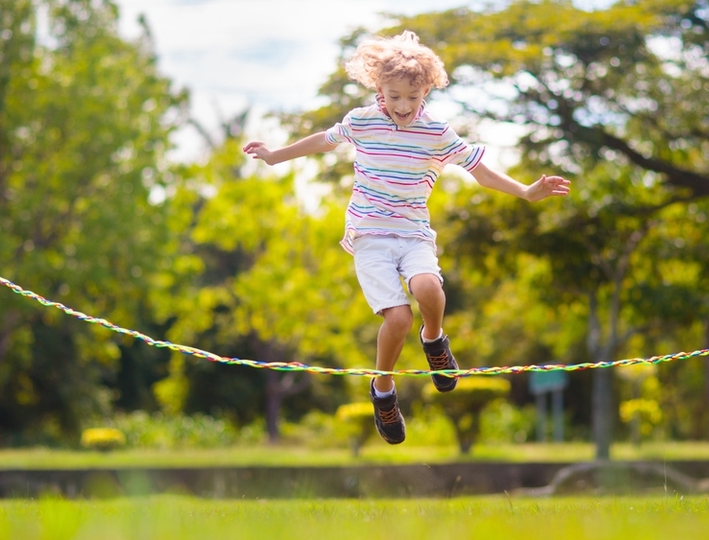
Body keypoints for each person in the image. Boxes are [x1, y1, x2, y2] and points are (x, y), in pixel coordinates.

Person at [242, 30, 570, 445]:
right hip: (370, 235)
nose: (402, 107)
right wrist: (274, 155)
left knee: (429, 290)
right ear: (379, 88)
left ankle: (434, 341)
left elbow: (479, 170)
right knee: (398, 317)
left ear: (426, 91)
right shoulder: (361, 121)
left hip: (413, 232)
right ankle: (383, 391)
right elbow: (322, 142)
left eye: (412, 99)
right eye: (393, 96)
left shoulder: (436, 131)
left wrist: (525, 191)